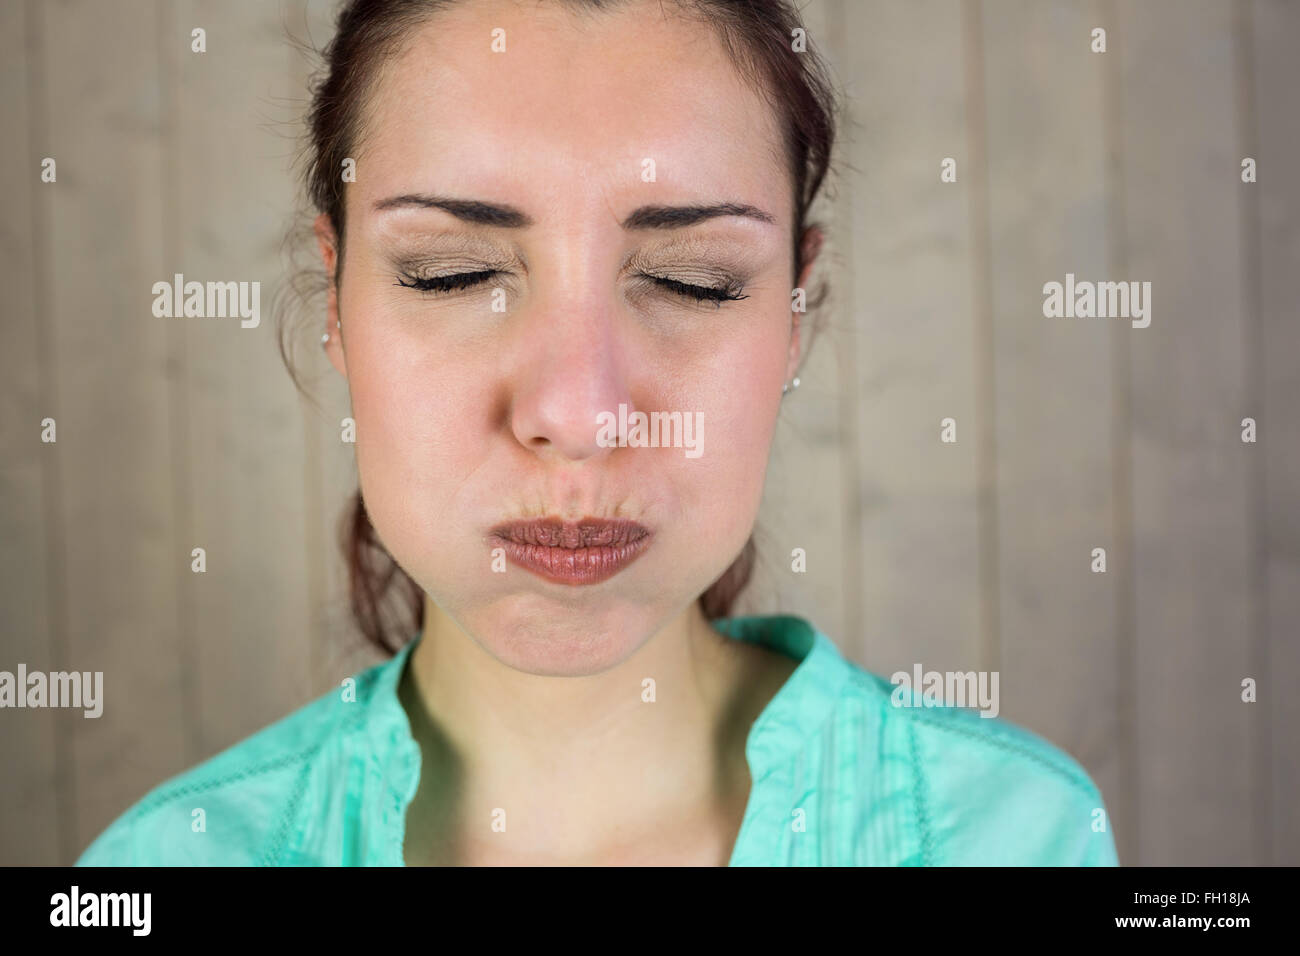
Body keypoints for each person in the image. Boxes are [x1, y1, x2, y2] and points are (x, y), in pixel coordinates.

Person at [77, 0, 1119, 866]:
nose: (579, 416)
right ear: (336, 301)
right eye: (453, 272)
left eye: (690, 281)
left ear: (797, 312)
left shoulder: (1005, 834)